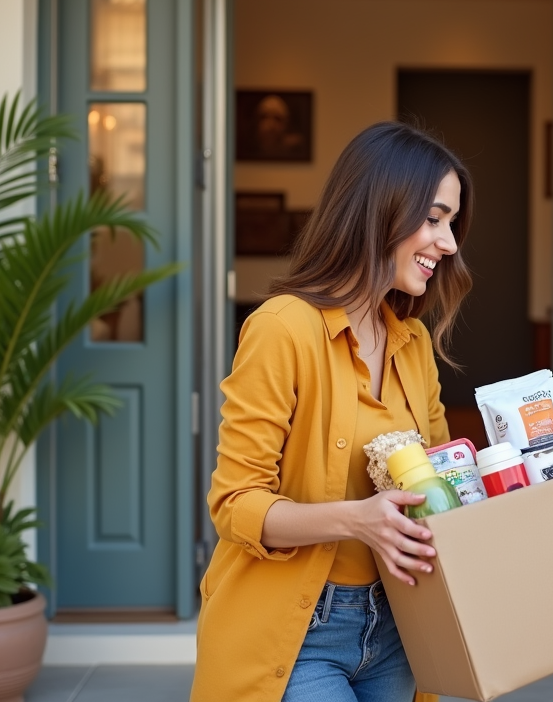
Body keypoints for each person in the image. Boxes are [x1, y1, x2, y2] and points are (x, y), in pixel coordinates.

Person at [190, 121, 474, 702]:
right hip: (299, 635)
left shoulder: (412, 343)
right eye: (435, 218)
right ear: (382, 210)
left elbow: (454, 489)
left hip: (401, 625)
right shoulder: (282, 328)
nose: (449, 244)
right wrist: (357, 519)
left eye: (452, 225)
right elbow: (235, 502)